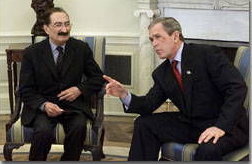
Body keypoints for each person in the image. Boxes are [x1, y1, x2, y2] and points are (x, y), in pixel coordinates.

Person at [103, 17, 249, 161]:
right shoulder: (162, 73)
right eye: (151, 40)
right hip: (192, 124)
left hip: (226, 125)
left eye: (158, 37)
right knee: (144, 124)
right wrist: (123, 94)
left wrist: (220, 127)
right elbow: (148, 104)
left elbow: (237, 87)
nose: (154, 44)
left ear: (175, 36)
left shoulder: (206, 54)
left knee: (208, 149)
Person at [19, 7, 105, 161]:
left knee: (79, 127)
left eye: (67, 24)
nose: (64, 29)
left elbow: (98, 78)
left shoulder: (81, 49)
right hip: (44, 107)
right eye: (58, 25)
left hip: (73, 107)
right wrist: (44, 105)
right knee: (43, 132)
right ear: (46, 28)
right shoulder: (32, 53)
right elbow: (25, 89)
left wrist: (79, 89)